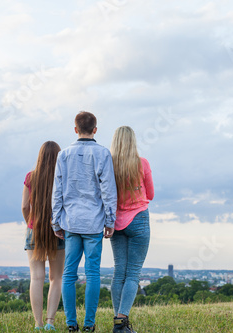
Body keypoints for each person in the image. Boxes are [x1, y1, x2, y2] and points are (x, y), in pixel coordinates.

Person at [52, 111, 117, 332]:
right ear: (95, 129)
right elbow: (108, 191)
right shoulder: (103, 154)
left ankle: (71, 324)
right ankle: (89, 324)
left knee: (69, 273)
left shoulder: (64, 155)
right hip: (94, 222)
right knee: (93, 273)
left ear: (75, 129)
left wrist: (55, 221)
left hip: (70, 221)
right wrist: (110, 220)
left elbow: (57, 191)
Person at [109, 126, 154, 333]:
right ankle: (121, 322)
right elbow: (151, 194)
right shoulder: (142, 164)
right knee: (133, 273)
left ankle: (118, 321)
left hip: (116, 223)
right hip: (138, 219)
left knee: (119, 272)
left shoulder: (109, 166)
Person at [22, 141, 65, 331]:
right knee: (56, 278)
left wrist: (30, 224)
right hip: (58, 231)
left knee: (36, 278)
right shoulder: (63, 177)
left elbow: (25, 207)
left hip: (34, 230)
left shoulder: (30, 177)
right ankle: (50, 323)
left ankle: (38, 324)